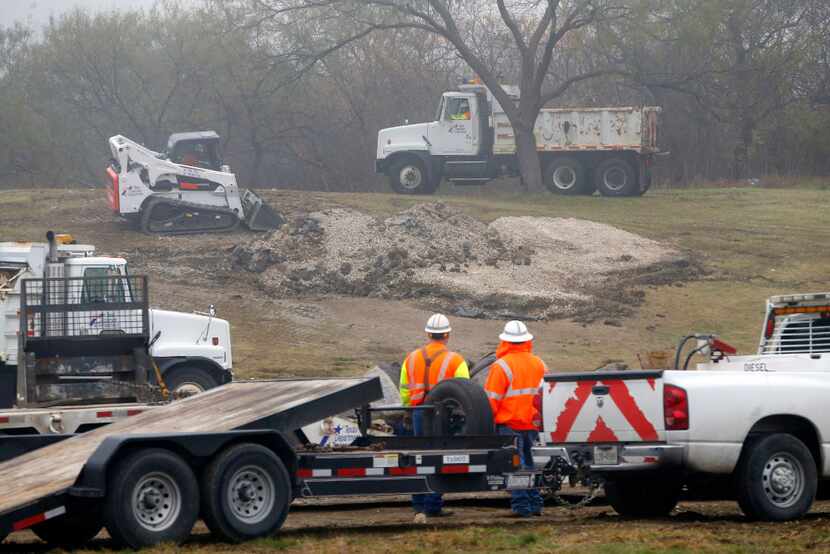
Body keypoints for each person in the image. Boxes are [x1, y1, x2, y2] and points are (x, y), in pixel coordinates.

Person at [400, 313, 470, 517]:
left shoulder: (410, 359)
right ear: (447, 335)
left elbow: (404, 389)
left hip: (417, 414)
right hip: (442, 417)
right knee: (438, 460)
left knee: (418, 458)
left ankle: (418, 504)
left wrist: (408, 410)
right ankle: (432, 505)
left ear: (427, 334)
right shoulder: (456, 360)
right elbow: (464, 392)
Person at [484, 320, 547, 518]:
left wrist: (488, 424)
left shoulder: (501, 366)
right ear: (527, 341)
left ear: (505, 342)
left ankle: (521, 508)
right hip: (533, 424)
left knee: (515, 468)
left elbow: (491, 400)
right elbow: (546, 395)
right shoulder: (540, 364)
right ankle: (535, 505)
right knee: (532, 465)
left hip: (509, 426)